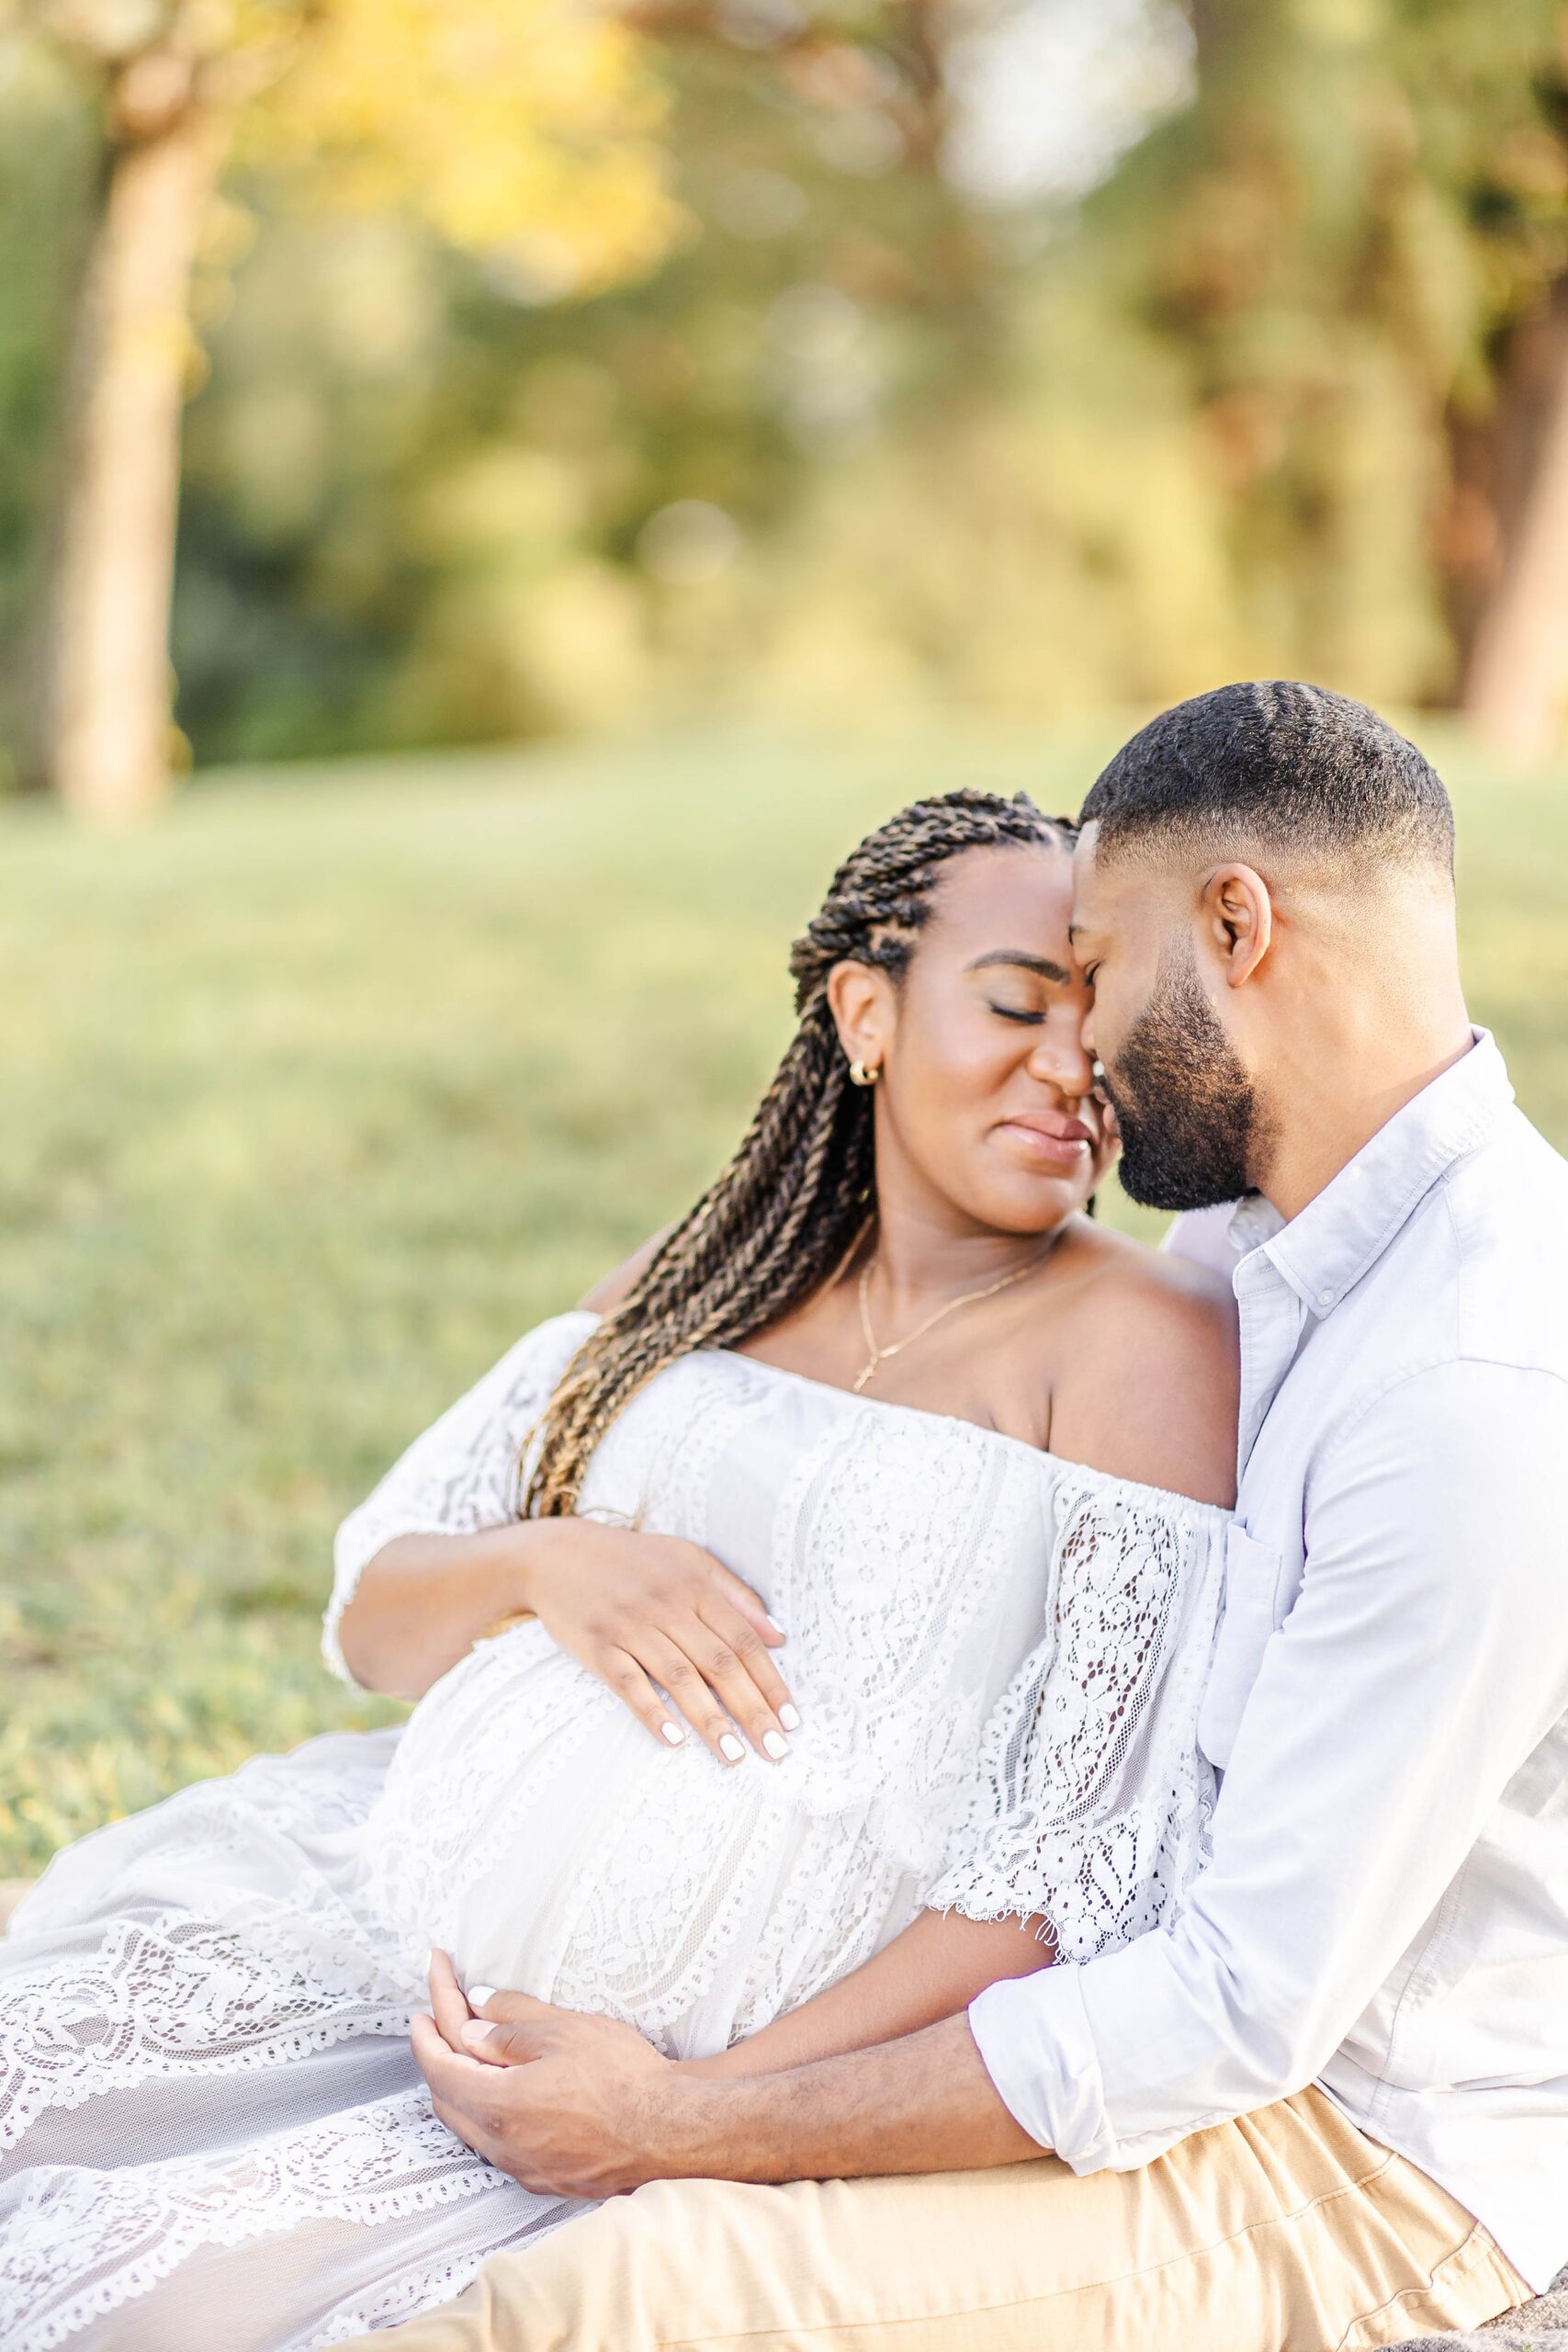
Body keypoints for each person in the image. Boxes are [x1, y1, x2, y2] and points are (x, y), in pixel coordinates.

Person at [363, 683, 1568, 2352]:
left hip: (1350, 2155)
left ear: (1237, 927)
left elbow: (1234, 2010)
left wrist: (679, 2124)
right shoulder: (1255, 1245)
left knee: (577, 2312)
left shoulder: (1473, 1383)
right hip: (1161, 2055)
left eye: (1102, 964)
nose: (1087, 1051)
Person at [0, 790, 1239, 2350]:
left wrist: (684, 2112)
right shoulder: (711, 1269)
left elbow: (1071, 1885)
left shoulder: (1140, 1349)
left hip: (681, 2083)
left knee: (168, 2310)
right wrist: (551, 1564)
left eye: (1107, 1022)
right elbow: (378, 1613)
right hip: (383, 1933)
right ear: (866, 1009)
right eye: (1014, 1004)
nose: (1074, 1067)